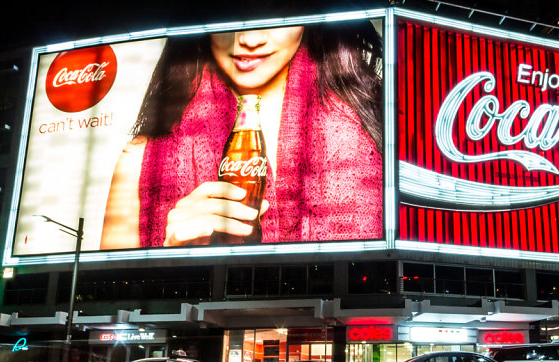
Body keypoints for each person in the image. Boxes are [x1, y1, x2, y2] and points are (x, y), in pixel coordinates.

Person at [100, 21, 383, 249]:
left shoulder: (381, 130)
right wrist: (172, 257)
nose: (249, 40)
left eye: (275, 16)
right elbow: (107, 305)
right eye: (229, 17)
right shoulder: (140, 161)